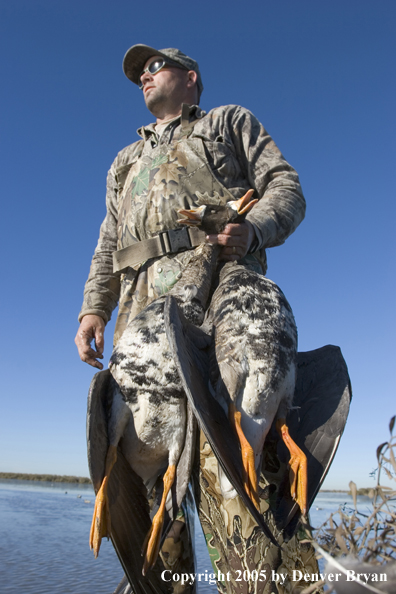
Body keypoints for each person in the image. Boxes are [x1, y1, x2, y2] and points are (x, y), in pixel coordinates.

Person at [75, 45, 319, 594]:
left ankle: (272, 583)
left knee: (243, 474)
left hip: (222, 308)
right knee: (151, 492)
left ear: (190, 78)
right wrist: (95, 307)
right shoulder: (123, 162)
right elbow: (109, 243)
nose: (142, 75)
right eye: (139, 72)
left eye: (154, 66)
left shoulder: (227, 122)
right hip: (143, 324)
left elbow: (286, 187)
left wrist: (254, 229)